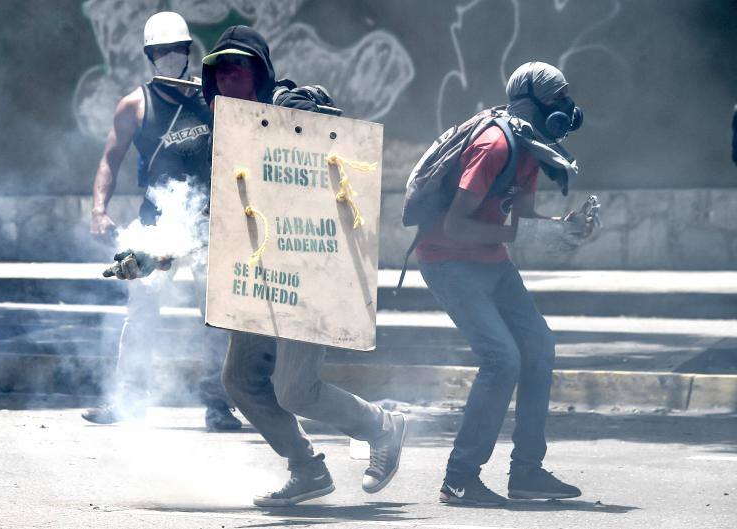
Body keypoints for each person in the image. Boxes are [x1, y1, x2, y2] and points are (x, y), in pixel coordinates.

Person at [203, 25, 409, 507]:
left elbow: (328, 135)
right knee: (238, 380)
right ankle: (306, 468)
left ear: (260, 72)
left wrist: (305, 115)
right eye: (221, 70)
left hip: (309, 268)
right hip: (259, 274)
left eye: (240, 68)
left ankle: (383, 427)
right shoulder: (227, 133)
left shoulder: (292, 105)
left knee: (295, 390)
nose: (230, 78)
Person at [416, 62, 588, 506]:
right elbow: (455, 226)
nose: (566, 108)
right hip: (447, 261)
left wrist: (565, 229)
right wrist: (520, 235)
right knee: (502, 359)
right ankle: (459, 478)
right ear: (531, 103)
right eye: (557, 98)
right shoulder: (494, 145)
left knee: (539, 346)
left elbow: (523, 220)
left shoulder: (530, 146)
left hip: (490, 261)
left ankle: (527, 472)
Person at [82, 11, 241, 431]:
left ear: (189, 52)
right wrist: (98, 210)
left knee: (215, 318)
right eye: (162, 50)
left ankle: (218, 405)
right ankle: (126, 400)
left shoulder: (212, 99)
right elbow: (109, 161)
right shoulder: (134, 105)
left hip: (209, 226)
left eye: (178, 49)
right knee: (141, 315)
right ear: (150, 55)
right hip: (156, 228)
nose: (171, 56)